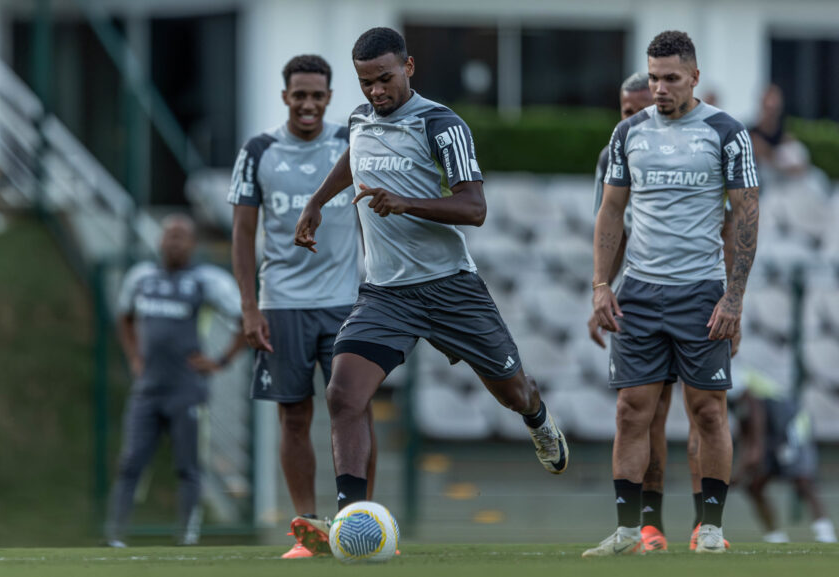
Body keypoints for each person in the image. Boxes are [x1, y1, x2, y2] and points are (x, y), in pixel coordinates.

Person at [293, 26, 569, 555]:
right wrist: (316, 201)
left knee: (514, 392)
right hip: (386, 295)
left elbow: (475, 208)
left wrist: (405, 202)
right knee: (342, 394)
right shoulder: (357, 120)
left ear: (409, 67)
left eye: (385, 79)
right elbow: (354, 157)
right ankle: (352, 520)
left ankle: (538, 418)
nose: (376, 92)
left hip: (450, 290)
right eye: (366, 82)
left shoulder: (442, 124)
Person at [586, 30, 759, 556]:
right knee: (631, 411)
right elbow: (611, 212)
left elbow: (746, 215)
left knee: (707, 412)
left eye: (671, 79)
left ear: (695, 78)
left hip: (701, 292)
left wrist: (733, 298)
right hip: (639, 292)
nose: (660, 88)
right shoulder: (629, 133)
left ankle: (709, 529)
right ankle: (627, 532)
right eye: (654, 77)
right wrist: (600, 286)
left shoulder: (727, 133)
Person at [228, 54, 376, 559]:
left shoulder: (351, 144)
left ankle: (363, 525)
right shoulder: (259, 150)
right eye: (299, 95)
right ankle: (310, 530)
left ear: (330, 97)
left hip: (346, 304)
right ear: (285, 96)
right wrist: (250, 308)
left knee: (355, 410)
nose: (308, 104)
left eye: (317, 95)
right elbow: (243, 235)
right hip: (283, 305)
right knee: (294, 416)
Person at [105, 215, 245, 548]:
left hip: (187, 389)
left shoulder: (207, 282)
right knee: (130, 462)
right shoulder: (141, 277)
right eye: (168, 235)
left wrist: (221, 361)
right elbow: (124, 317)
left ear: (193, 244)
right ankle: (114, 535)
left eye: (181, 236)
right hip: (148, 390)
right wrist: (134, 357)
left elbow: (246, 321)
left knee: (188, 466)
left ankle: (187, 535)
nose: (173, 242)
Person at [732, 368, 838, 544]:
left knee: (802, 480)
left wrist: (746, 462)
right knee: (754, 485)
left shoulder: (738, 380)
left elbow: (755, 427)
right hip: (769, 433)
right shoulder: (728, 388)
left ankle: (825, 533)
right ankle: (775, 538)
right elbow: (745, 429)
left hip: (791, 424)